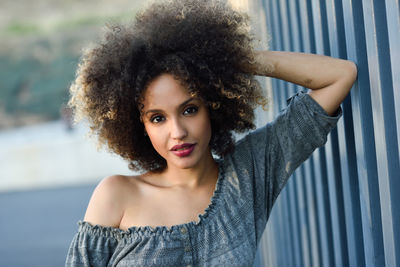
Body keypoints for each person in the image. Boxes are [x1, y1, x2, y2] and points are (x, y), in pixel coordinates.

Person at [65, 0, 357, 266]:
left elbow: (339, 76)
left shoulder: (251, 174)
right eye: (157, 118)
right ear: (138, 125)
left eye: (190, 109)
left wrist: (229, 62)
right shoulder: (116, 196)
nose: (177, 132)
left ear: (214, 106)